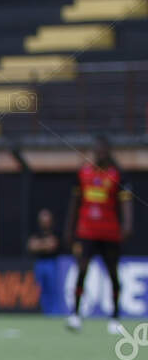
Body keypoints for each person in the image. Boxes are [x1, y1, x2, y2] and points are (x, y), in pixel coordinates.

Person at [65, 139, 133, 334]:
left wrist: (127, 225)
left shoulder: (117, 175)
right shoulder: (83, 173)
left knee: (113, 273)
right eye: (97, 151)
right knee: (82, 270)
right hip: (86, 231)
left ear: (108, 152)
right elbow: (75, 203)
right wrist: (69, 229)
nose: (100, 154)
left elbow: (125, 202)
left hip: (110, 232)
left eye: (103, 151)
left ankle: (115, 317)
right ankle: (75, 314)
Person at [27, 207, 65, 316]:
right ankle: (45, 312)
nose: (45, 222)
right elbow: (31, 246)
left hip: (52, 263)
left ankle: (55, 313)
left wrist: (40, 244)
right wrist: (45, 244)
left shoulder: (55, 232)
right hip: (40, 263)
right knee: (41, 290)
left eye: (47, 219)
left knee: (53, 289)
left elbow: (52, 245)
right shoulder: (36, 232)